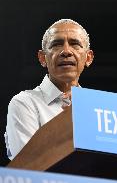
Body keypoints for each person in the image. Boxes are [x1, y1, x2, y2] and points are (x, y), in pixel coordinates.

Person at [5, 19, 95, 160]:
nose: (66, 51)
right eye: (56, 45)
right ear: (42, 58)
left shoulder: (96, 108)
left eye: (75, 44)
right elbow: (28, 166)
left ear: (88, 57)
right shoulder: (24, 103)